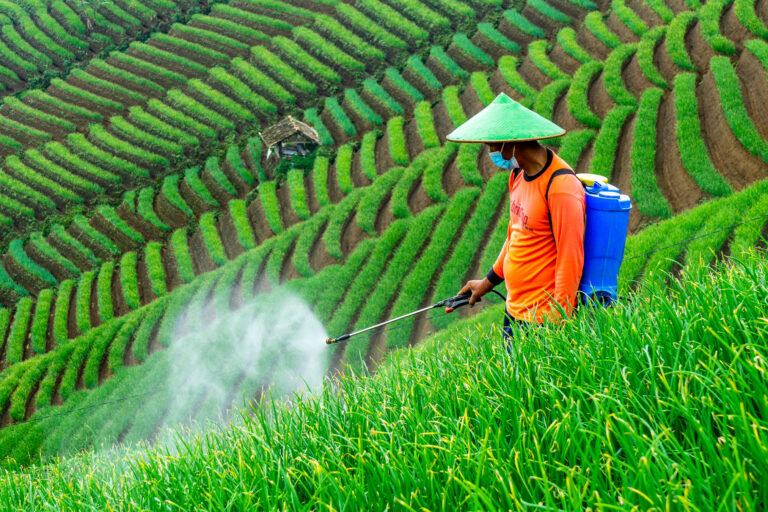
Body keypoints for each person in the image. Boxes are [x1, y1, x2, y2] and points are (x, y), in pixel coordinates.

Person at [447, 93, 586, 345]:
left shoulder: (561, 186)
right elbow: (515, 236)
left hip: (544, 322)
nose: (490, 152)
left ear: (510, 144)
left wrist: (559, 322)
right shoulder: (517, 177)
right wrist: (486, 283)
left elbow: (570, 258)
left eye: (493, 145)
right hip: (514, 312)